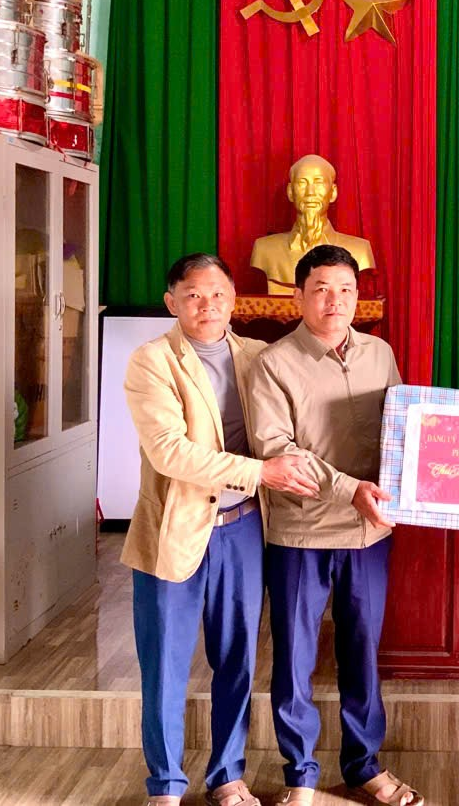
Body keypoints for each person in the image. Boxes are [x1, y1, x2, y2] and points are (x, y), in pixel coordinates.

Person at [122, 253, 321, 806]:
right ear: (172, 302)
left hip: (243, 529)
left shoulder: (258, 357)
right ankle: (165, 785)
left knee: (237, 661)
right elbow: (170, 451)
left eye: (217, 294)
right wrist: (260, 472)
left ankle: (227, 776)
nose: (206, 305)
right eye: (192, 295)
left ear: (235, 300)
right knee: (165, 664)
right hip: (175, 530)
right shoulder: (152, 361)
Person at [249, 245, 423, 806]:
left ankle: (364, 766)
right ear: (298, 297)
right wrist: (351, 490)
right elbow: (277, 449)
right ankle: (299, 775)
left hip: (369, 535)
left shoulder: (380, 353)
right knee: (295, 657)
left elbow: (402, 430)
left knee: (362, 652)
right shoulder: (273, 363)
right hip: (300, 535)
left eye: (346, 289)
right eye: (321, 289)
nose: (335, 300)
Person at [249, 154, 376, 295]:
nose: (310, 193)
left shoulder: (360, 251)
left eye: (319, 183)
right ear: (290, 192)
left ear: (333, 192)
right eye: (302, 183)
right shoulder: (264, 249)